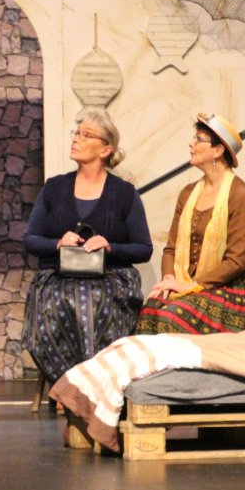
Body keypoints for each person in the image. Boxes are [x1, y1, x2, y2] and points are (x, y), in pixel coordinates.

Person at [21, 108, 152, 387]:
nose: (76, 138)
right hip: (57, 277)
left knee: (94, 304)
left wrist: (110, 247)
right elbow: (31, 239)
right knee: (55, 306)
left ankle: (95, 385)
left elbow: (143, 248)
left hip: (109, 278)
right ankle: (67, 383)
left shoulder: (124, 193)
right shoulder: (54, 188)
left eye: (86, 134)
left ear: (105, 149)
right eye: (76, 133)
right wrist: (58, 243)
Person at [136, 113, 245, 334]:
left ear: (218, 150)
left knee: (172, 317)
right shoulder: (188, 193)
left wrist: (192, 285)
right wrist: (169, 280)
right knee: (149, 311)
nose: (191, 144)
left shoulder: (240, 194)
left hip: (233, 288)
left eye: (199, 139)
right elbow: (171, 249)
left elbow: (238, 261)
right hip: (191, 283)